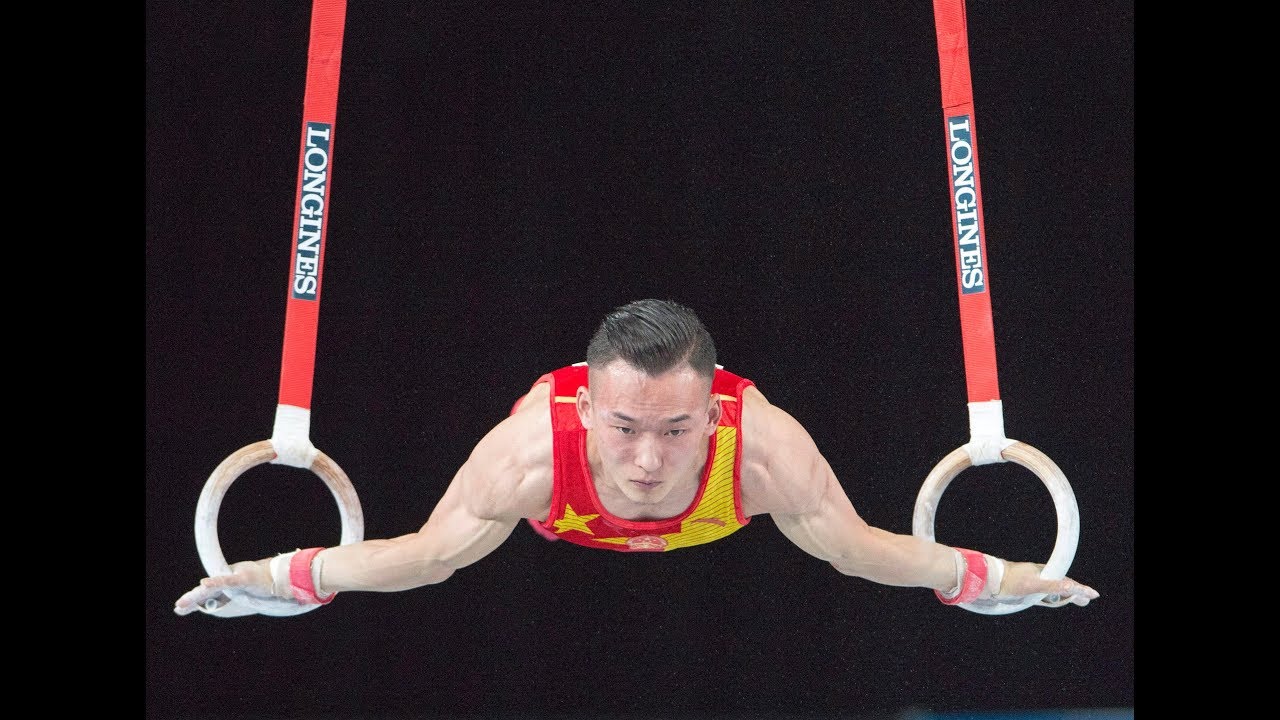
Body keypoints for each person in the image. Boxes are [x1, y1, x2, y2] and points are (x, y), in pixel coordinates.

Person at [174, 298, 1098, 616]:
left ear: (715, 404)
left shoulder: (762, 450)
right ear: (581, 405)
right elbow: (423, 558)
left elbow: (862, 549)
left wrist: (998, 577)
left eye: (677, 427)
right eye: (623, 428)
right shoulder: (530, 454)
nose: (650, 460)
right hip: (554, 495)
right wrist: (283, 575)